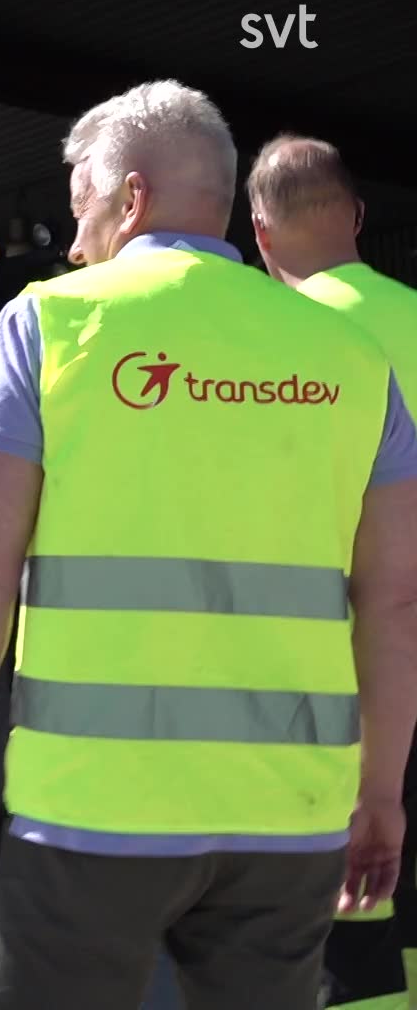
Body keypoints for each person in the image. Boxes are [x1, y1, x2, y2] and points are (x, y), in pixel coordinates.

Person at [0, 79, 417, 1010]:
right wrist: (379, 792)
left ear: (132, 196)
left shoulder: (47, 325)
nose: (73, 244)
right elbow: (391, 603)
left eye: (81, 209)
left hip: (92, 813)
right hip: (292, 812)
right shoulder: (352, 359)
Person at [248, 133, 417, 1009]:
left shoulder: (266, 347)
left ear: (259, 232)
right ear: (355, 215)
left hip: (336, 677)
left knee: (352, 923)